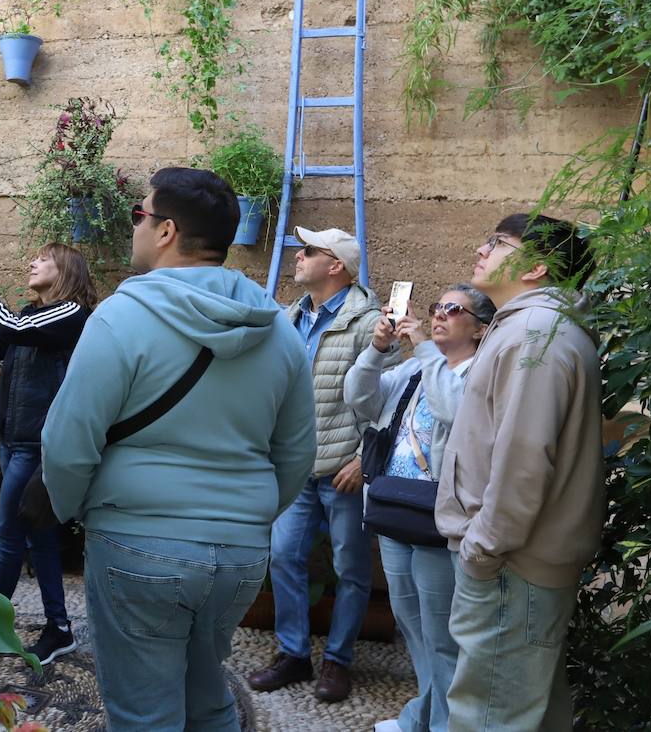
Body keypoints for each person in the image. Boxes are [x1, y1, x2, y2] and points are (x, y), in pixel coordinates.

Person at [40, 167, 316, 732]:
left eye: (139, 215)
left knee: (145, 711)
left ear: (165, 230)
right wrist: (245, 514)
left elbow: (67, 443)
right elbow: (295, 454)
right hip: (239, 554)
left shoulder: (121, 317)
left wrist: (71, 511)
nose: (134, 226)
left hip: (138, 545)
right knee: (206, 691)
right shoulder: (279, 330)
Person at [436, 213, 601, 732]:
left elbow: (524, 459)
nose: (482, 250)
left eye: (499, 243)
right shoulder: (534, 328)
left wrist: (483, 550)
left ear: (536, 269)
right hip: (519, 561)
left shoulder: (534, 335)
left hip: (512, 563)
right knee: (527, 709)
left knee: (488, 716)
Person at [344, 285, 498, 732]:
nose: (439, 315)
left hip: (440, 523)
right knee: (412, 626)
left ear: (480, 328)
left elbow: (454, 409)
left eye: (454, 309)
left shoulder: (480, 374)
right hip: (395, 512)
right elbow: (359, 397)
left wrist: (426, 350)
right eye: (436, 307)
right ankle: (424, 717)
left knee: (444, 635)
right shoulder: (414, 370)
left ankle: (443, 725)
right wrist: (376, 349)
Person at [0, 242, 95, 666]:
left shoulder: (71, 315)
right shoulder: (29, 317)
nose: (32, 263)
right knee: (38, 538)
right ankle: (59, 629)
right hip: (13, 441)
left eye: (42, 259)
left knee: (7, 536)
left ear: (65, 271)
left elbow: (7, 327)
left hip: (39, 448)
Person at [248, 225, 380, 703]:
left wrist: (365, 460)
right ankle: (294, 654)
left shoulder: (368, 322)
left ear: (336, 266)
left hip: (344, 469)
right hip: (295, 467)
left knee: (351, 568)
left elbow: (389, 400)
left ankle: (338, 661)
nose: (296, 256)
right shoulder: (289, 317)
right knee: (283, 556)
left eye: (308, 251)